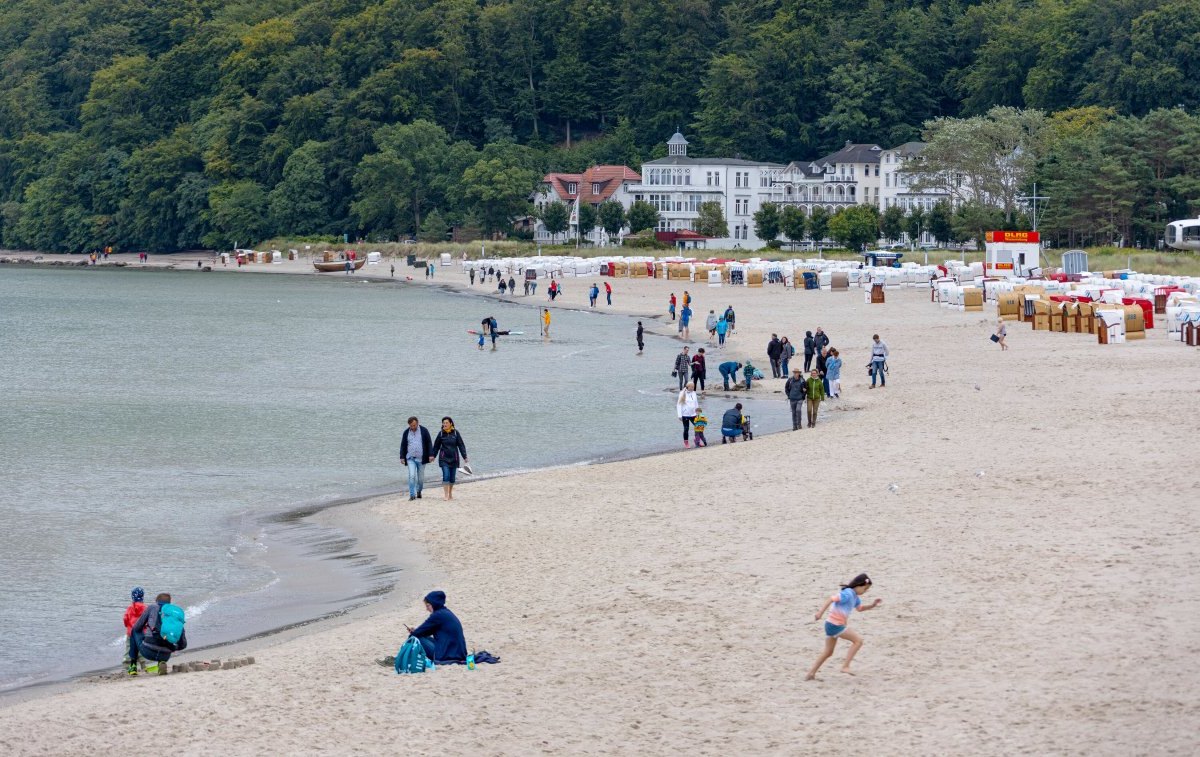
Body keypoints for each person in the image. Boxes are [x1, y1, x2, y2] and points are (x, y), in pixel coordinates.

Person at [805, 574, 883, 680]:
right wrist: (820, 613)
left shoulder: (855, 597)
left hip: (831, 625)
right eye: (865, 588)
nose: (865, 591)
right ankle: (845, 666)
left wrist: (872, 605)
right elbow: (831, 599)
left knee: (828, 652)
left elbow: (860, 608)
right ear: (859, 585)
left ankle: (811, 673)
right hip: (835, 625)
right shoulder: (848, 594)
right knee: (858, 641)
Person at [129, 592, 187, 675]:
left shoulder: (152, 607)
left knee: (134, 630)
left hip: (148, 651)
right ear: (170, 603)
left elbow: (137, 627)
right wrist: (171, 648)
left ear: (156, 601)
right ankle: (161, 663)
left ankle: (133, 666)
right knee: (165, 639)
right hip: (165, 655)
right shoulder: (174, 614)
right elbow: (183, 644)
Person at [405, 590, 467, 664]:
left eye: (428, 605)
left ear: (434, 604)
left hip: (446, 655)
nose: (427, 609)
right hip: (459, 653)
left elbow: (417, 633)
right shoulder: (445, 612)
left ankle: (407, 658)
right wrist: (416, 631)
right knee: (421, 636)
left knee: (414, 638)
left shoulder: (437, 615)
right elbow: (425, 631)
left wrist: (414, 633)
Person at [429, 417, 468, 501]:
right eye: (443, 423)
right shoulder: (441, 434)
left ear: (451, 423)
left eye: (446, 423)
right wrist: (433, 456)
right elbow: (436, 446)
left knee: (452, 478)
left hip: (454, 458)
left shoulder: (456, 433)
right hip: (444, 458)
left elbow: (461, 445)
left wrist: (465, 456)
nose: (445, 424)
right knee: (446, 475)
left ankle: (450, 493)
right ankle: (446, 495)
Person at [400, 417, 432, 501]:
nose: (413, 427)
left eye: (414, 425)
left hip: (421, 459)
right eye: (411, 426)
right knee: (412, 476)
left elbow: (429, 443)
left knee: (420, 478)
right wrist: (402, 457)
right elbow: (403, 445)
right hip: (410, 458)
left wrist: (431, 455)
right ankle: (412, 495)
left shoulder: (424, 430)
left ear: (417, 423)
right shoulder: (406, 432)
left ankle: (418, 491)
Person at [122, 587, 146, 673]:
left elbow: (125, 619)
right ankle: (143, 664)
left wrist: (127, 625)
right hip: (142, 633)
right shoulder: (146, 608)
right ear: (142, 597)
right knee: (141, 647)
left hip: (131, 633)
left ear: (132, 597)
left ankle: (127, 665)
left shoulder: (130, 608)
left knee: (130, 648)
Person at [677, 381, 699, 448]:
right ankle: (686, 443)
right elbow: (679, 405)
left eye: (693, 386)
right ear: (688, 387)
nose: (693, 388)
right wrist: (679, 415)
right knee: (686, 429)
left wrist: (698, 413)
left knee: (698, 427)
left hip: (693, 414)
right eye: (691, 387)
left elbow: (696, 403)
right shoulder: (682, 393)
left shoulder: (694, 393)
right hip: (685, 415)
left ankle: (697, 440)